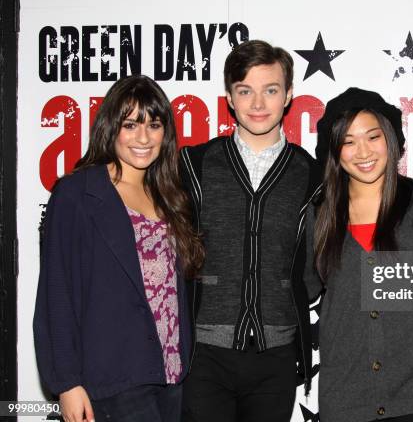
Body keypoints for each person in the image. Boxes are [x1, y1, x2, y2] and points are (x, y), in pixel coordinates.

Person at [33, 74, 204, 422]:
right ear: (112, 128)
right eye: (131, 125)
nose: (143, 138)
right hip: (113, 376)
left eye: (154, 125)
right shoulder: (78, 193)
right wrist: (67, 383)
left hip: (170, 374)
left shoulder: (170, 195)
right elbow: (57, 292)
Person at [179, 39, 320, 422]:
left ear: (289, 95)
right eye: (246, 91)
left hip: (276, 354)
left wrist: (279, 294)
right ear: (229, 97)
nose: (258, 104)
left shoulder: (312, 175)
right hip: (202, 352)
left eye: (270, 90)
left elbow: (314, 266)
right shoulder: (194, 165)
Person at [304, 87, 413, 422]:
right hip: (345, 396)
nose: (363, 151)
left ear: (392, 139)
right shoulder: (319, 214)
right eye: (348, 141)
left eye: (373, 136)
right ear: (334, 151)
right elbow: (301, 287)